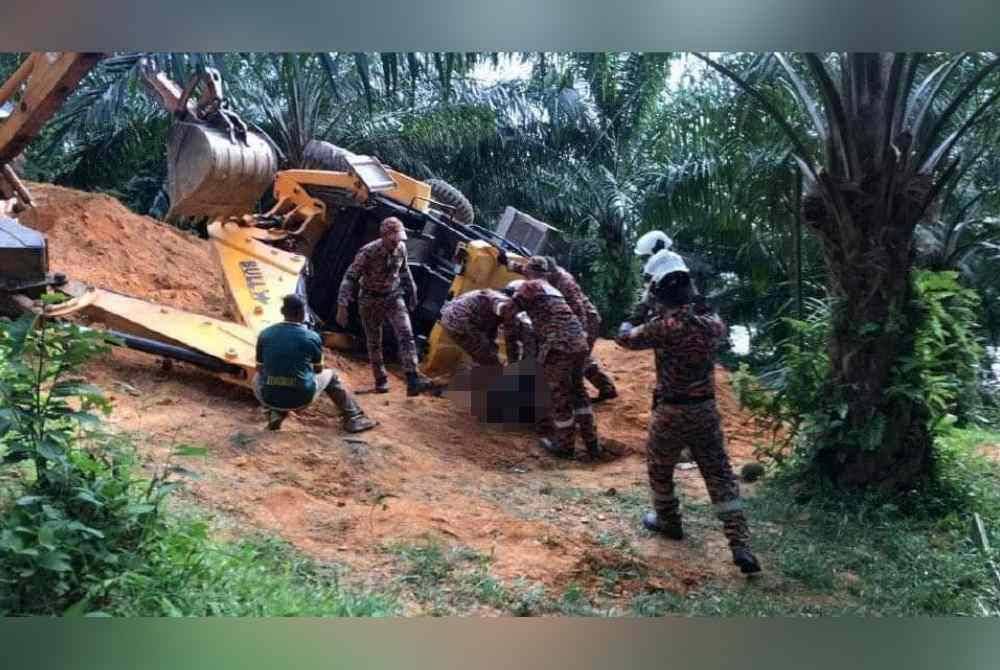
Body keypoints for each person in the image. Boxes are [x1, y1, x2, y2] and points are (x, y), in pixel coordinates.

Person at [615, 257, 761, 575]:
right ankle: (740, 545)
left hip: (670, 411)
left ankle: (668, 520)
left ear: (659, 295)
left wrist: (637, 312)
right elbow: (708, 314)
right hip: (706, 410)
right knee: (720, 476)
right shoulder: (712, 326)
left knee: (660, 467)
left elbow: (624, 339)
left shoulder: (663, 327)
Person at [499, 278, 602, 460]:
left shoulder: (524, 293)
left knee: (558, 394)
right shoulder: (551, 292)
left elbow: (508, 311)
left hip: (559, 347)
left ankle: (564, 446)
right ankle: (592, 444)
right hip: (579, 344)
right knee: (578, 392)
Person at [335, 216, 433, 396]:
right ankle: (381, 380)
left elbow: (404, 272)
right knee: (374, 341)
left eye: (400, 238)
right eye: (394, 239)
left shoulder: (401, 248)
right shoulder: (368, 252)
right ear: (385, 235)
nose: (397, 243)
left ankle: (412, 379)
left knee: (405, 334)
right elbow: (350, 278)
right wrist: (342, 306)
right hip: (369, 300)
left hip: (393, 297)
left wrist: (412, 292)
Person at [255, 294, 377, 434]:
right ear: (303, 313)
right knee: (331, 376)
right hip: (301, 398)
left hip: (269, 397)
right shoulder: (311, 337)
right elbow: (318, 370)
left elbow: (259, 367)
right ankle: (354, 417)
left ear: (282, 312)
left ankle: (274, 412)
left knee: (259, 377)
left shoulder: (265, 334)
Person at [520, 256, 617, 402]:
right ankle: (598, 389)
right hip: (571, 320)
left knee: (580, 357)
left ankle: (603, 390)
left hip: (586, 320)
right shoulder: (545, 275)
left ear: (550, 273)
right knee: (578, 357)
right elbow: (527, 270)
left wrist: (581, 332)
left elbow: (579, 309)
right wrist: (508, 263)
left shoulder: (564, 282)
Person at [439, 288, 524, 367]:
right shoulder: (504, 302)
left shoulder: (488, 294)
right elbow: (510, 338)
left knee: (488, 353)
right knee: (489, 359)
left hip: (450, 320)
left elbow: (507, 340)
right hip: (462, 322)